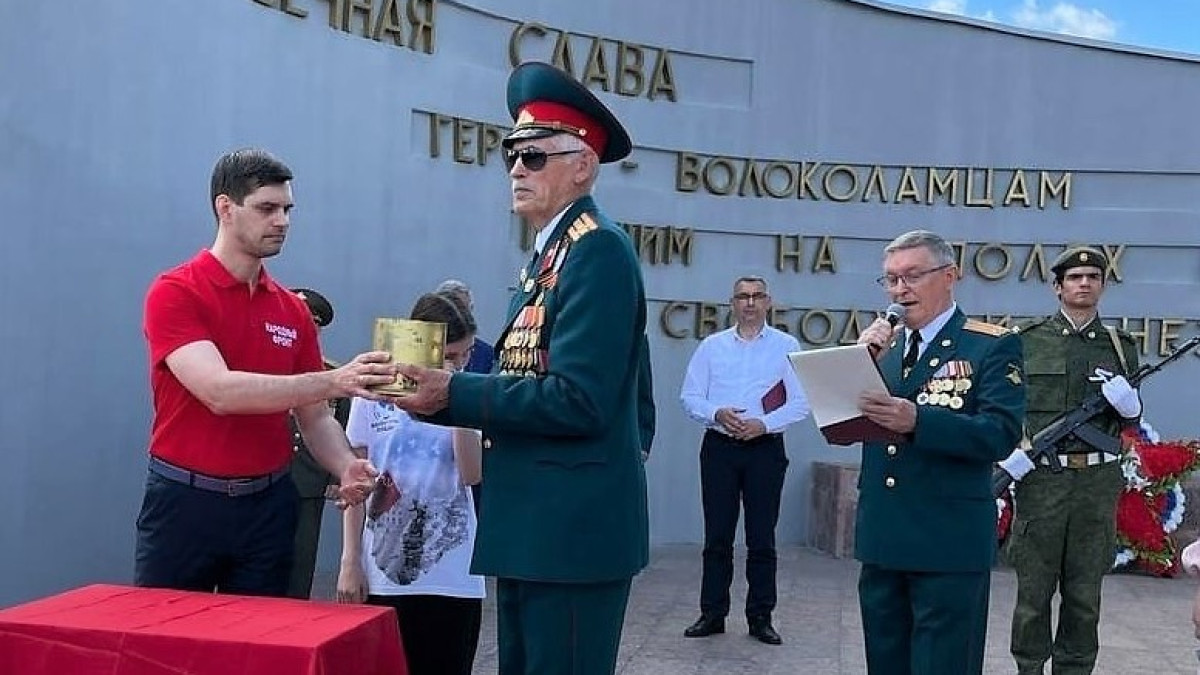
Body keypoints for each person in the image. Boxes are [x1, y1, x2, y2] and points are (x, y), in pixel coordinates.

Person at [390, 61, 653, 675]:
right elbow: (532, 383)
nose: (516, 168)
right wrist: (433, 396)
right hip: (536, 526)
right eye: (512, 154)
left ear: (582, 165)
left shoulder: (597, 250)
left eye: (535, 156)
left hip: (569, 533)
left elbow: (578, 399)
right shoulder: (549, 256)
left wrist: (452, 392)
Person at [136, 147, 396, 596]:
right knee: (165, 636)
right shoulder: (176, 292)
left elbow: (315, 417)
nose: (282, 221)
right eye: (267, 208)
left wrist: (346, 466)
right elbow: (218, 391)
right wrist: (335, 379)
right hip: (185, 504)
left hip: (267, 506)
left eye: (287, 209)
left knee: (262, 636)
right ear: (225, 208)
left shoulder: (292, 311)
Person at [854, 229, 1026, 675]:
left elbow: (1000, 434)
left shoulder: (989, 344)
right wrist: (856, 364)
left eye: (912, 276)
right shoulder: (883, 348)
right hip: (884, 537)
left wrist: (919, 421)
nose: (900, 290)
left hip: (946, 542)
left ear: (949, 276)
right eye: (891, 280)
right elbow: (848, 422)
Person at [997, 246, 1141, 675]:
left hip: (1096, 483)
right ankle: (1028, 667)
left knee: (1084, 594)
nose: (1084, 283)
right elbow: (1006, 405)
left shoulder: (1119, 346)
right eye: (1075, 278)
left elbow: (1130, 417)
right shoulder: (1025, 340)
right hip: (1042, 480)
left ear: (1102, 286)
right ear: (1057, 287)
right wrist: (1011, 453)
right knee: (1033, 592)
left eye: (1093, 277)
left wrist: (1130, 407)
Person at [337, 291, 484, 675]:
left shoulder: (469, 390)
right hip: (383, 568)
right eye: (449, 355)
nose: (459, 362)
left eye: (466, 354)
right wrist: (350, 560)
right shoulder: (375, 391)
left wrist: (458, 396)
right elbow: (356, 478)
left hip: (451, 573)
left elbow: (472, 474)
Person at [678, 275, 810, 645]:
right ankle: (712, 613)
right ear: (732, 303)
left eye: (757, 296)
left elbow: (801, 402)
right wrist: (716, 413)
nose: (750, 303)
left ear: (768, 302)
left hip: (765, 450)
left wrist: (763, 424)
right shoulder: (712, 346)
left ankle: (761, 617)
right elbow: (690, 396)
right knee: (717, 536)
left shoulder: (787, 346)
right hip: (719, 448)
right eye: (742, 296)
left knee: (761, 538)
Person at [284, 287, 352, 599]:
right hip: (267, 474)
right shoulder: (265, 364)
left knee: (300, 565)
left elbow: (340, 422)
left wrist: (336, 476)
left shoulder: (328, 373)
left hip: (307, 482)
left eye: (312, 324)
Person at [435, 279, 495, 375]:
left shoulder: (487, 355)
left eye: (464, 310)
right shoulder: (419, 352)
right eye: (449, 356)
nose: (460, 317)